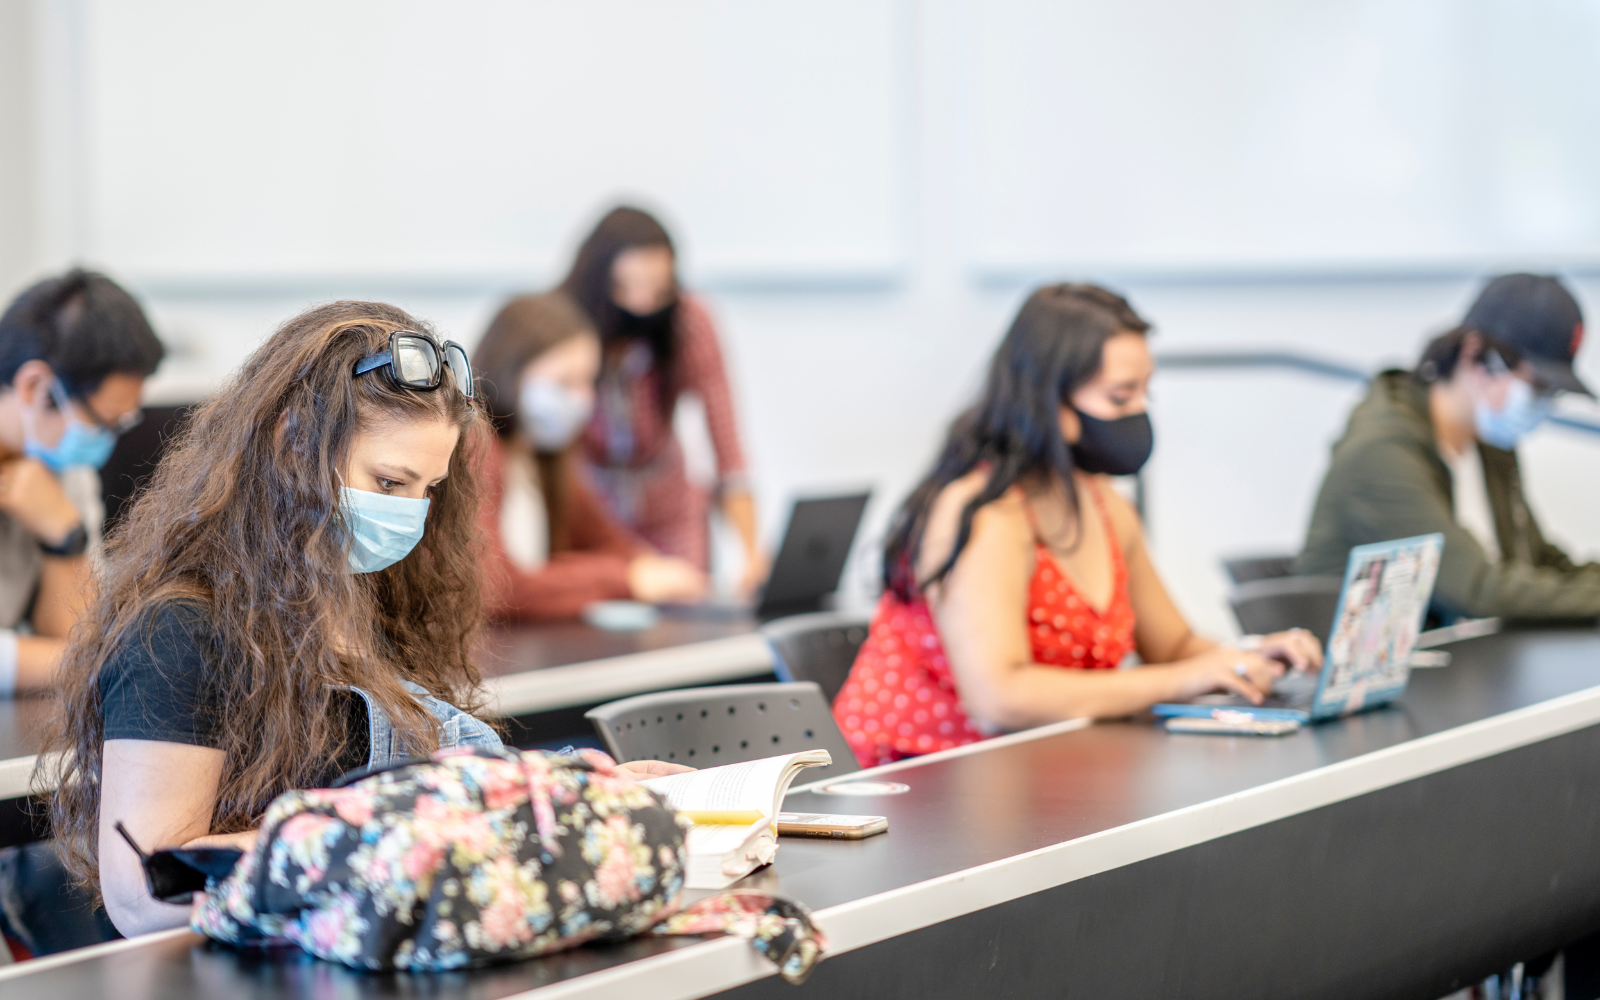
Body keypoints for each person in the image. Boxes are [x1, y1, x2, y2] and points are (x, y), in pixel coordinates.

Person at [40, 302, 688, 939]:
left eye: (428, 489)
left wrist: (570, 794)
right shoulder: (178, 631)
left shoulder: (366, 596)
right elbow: (143, 895)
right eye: (389, 483)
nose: (411, 514)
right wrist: (374, 835)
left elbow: (433, 789)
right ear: (292, 443)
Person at [833, 284, 1322, 767]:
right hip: (912, 779)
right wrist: (1182, 680)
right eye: (1120, 397)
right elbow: (999, 697)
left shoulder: (1106, 506)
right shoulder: (987, 515)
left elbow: (1173, 647)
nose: (1139, 413)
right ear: (1050, 400)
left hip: (1030, 775)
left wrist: (1247, 657)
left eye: (1145, 393)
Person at [1298, 273, 1600, 621]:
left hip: (1468, 653)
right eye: (1536, 385)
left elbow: (1534, 562)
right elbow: (1479, 591)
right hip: (1359, 655)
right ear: (1475, 355)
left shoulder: (1489, 446)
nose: (1542, 403)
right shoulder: (1381, 456)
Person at [561, 207, 764, 592]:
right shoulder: (564, 321)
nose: (641, 302)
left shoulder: (690, 321)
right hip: (589, 516)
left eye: (656, 289)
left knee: (683, 604)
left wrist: (752, 553)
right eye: (626, 287)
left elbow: (727, 446)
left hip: (670, 514)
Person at [474, 291, 708, 618]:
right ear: (510, 369)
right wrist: (625, 579)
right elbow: (494, 586)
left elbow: (607, 539)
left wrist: (651, 568)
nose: (582, 400)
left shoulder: (543, 458)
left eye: (587, 382)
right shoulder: (477, 448)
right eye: (564, 382)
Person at [0, 270, 163, 693]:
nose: (108, 440)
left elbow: (82, 634)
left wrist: (64, 537)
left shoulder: (65, 471)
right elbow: (90, 657)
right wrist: (99, 662)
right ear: (36, 387)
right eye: (104, 422)